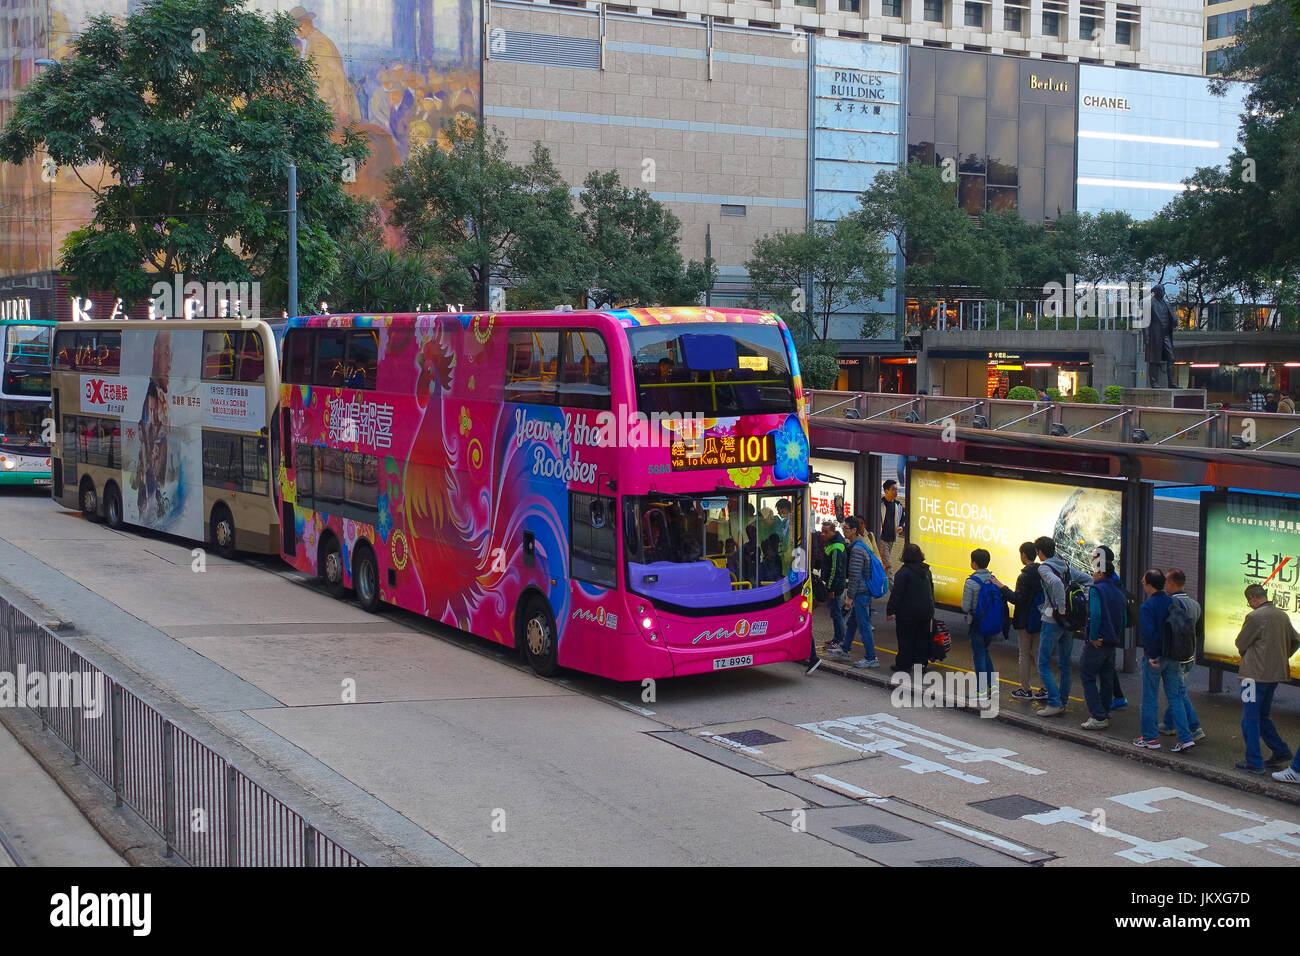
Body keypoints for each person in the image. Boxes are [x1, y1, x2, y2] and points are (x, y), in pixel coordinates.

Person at [1234, 584, 1298, 774]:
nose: (1250, 605)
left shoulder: (1255, 617)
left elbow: (1241, 642)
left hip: (1252, 675)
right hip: (1274, 674)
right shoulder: (1281, 615)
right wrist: (1281, 656)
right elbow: (1296, 639)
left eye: (1249, 601)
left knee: (1249, 719)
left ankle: (1254, 761)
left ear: (1253, 598)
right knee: (1263, 716)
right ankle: (1281, 751)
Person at [1134, 569, 1195, 752]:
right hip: (1174, 656)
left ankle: (1150, 738)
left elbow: (1148, 633)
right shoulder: (1174, 602)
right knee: (1175, 697)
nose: (1142, 583)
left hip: (1155, 658)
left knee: (1150, 698)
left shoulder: (1147, 606)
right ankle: (1185, 738)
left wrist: (1152, 655)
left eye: (1143, 581)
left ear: (1149, 585)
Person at [1034, 536, 1091, 717]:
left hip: (1053, 621)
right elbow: (1088, 580)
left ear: (1040, 552)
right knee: (1065, 663)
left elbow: (1056, 583)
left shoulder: (1043, 568)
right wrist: (1085, 599)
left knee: (1042, 662)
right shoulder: (1065, 566)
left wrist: (1061, 608)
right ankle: (1063, 700)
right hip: (1068, 624)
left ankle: (1054, 702)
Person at [1080, 546, 1126, 730]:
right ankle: (1104, 711)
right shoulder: (1118, 590)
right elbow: (1124, 618)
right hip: (1111, 641)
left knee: (1087, 674)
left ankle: (1097, 716)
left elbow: (1095, 615)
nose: (1092, 573)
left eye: (1094, 570)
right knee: (1107, 677)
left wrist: (1092, 636)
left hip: (1097, 641)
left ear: (1100, 573)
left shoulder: (1095, 590)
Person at [994, 541, 1046, 702]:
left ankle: (1025, 689)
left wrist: (1002, 587)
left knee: (1024, 654)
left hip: (1024, 620)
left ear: (1023, 555)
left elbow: (1018, 599)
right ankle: (1045, 688)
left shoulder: (1024, 577)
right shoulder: (1042, 573)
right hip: (1039, 618)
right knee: (1037, 653)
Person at [1158, 569, 1205, 741]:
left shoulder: (1171, 604)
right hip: (1189, 655)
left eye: (1166, 582)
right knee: (1177, 690)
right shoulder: (1195, 604)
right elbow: (1199, 632)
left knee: (1178, 693)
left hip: (1174, 656)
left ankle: (1194, 727)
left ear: (1171, 583)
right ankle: (1169, 724)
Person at [835, 517, 883, 669]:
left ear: (854, 530)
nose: (844, 531)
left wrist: (850, 597)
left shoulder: (857, 550)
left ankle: (871, 658)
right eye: (843, 528)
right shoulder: (861, 545)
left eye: (846, 528)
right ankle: (845, 649)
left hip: (861, 593)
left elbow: (855, 576)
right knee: (853, 622)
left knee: (864, 626)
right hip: (863, 591)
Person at [887, 543, 935, 675]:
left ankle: (903, 664)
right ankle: (921, 664)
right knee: (922, 638)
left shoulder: (903, 573)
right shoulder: (927, 571)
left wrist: (890, 611)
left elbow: (897, 594)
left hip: (908, 613)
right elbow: (931, 590)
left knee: (905, 639)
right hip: (926, 611)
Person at [961, 549, 1003, 698]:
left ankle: (981, 691)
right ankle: (992, 686)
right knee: (985, 651)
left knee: (978, 655)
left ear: (974, 563)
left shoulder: (971, 582)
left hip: (977, 623)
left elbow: (966, 607)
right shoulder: (992, 579)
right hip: (991, 623)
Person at [819, 520, 847, 656]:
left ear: (833, 532)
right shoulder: (831, 543)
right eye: (822, 531)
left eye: (826, 532)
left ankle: (839, 640)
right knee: (835, 613)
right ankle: (837, 639)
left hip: (835, 587)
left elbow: (835, 570)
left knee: (836, 614)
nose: (823, 534)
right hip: (833, 585)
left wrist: (831, 589)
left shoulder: (837, 546)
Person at [878, 480, 905, 581]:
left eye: (896, 489)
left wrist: (901, 526)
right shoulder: (880, 504)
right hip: (882, 539)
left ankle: (881, 583)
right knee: (888, 566)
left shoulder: (898, 505)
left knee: (884, 564)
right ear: (886, 491)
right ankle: (893, 589)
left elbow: (903, 519)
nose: (896, 491)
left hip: (892, 539)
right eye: (893, 489)